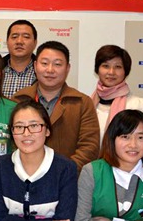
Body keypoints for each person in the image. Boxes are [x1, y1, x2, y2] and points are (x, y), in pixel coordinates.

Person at [74, 110, 143, 221]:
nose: (133, 145)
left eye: (141, 137)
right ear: (112, 139)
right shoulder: (91, 171)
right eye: (125, 137)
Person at [0, 100, 78, 221]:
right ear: (12, 132)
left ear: (47, 130)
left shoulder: (66, 168)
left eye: (34, 126)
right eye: (19, 127)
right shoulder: (0, 166)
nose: (26, 133)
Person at [13, 41, 100, 171]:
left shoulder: (82, 103)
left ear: (67, 68)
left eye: (57, 64)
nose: (50, 70)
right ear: (35, 66)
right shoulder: (18, 100)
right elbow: (10, 141)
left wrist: (62, 172)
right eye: (44, 63)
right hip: (23, 175)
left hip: (67, 178)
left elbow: (89, 147)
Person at [91, 45, 143, 142]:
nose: (111, 72)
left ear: (125, 71)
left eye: (118, 67)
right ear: (97, 69)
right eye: (106, 66)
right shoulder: (88, 104)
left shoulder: (138, 104)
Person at [1, 20, 37, 98]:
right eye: (14, 37)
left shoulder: (42, 72)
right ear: (7, 42)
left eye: (26, 37)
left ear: (35, 43)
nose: (19, 41)